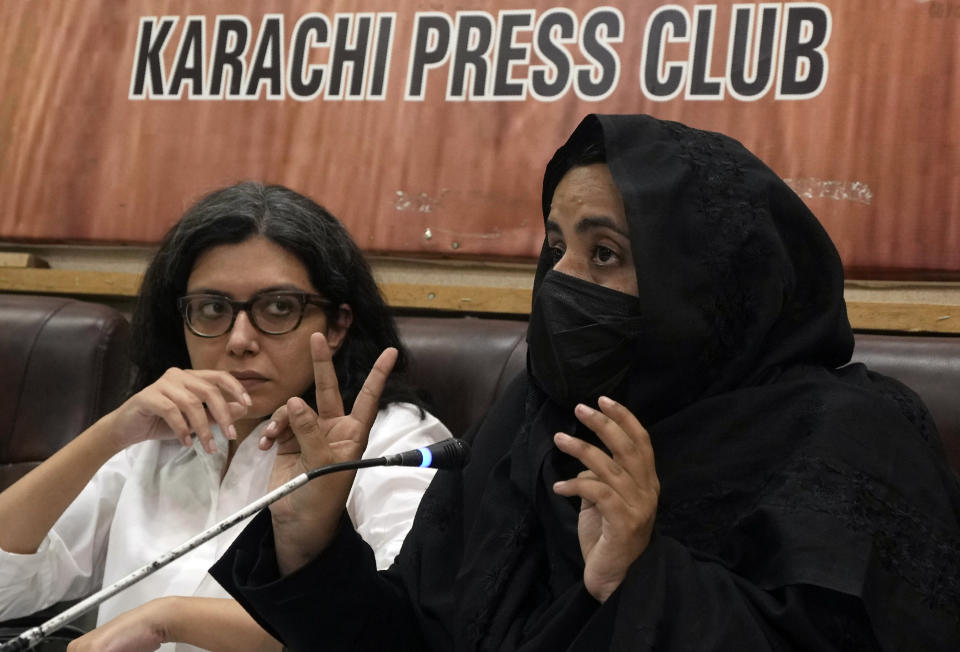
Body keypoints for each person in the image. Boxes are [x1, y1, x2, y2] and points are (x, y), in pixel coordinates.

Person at [211, 115, 960, 650]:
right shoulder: (531, 426)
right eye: (556, 246)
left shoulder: (847, 440)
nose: (559, 282)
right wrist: (311, 550)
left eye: (605, 255)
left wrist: (639, 576)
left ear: (703, 281)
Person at [0, 182, 451, 651]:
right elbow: (4, 590)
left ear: (336, 326)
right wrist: (110, 433)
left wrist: (172, 619)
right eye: (213, 308)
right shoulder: (153, 440)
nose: (239, 340)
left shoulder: (390, 441)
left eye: (278, 307)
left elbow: (402, 621)